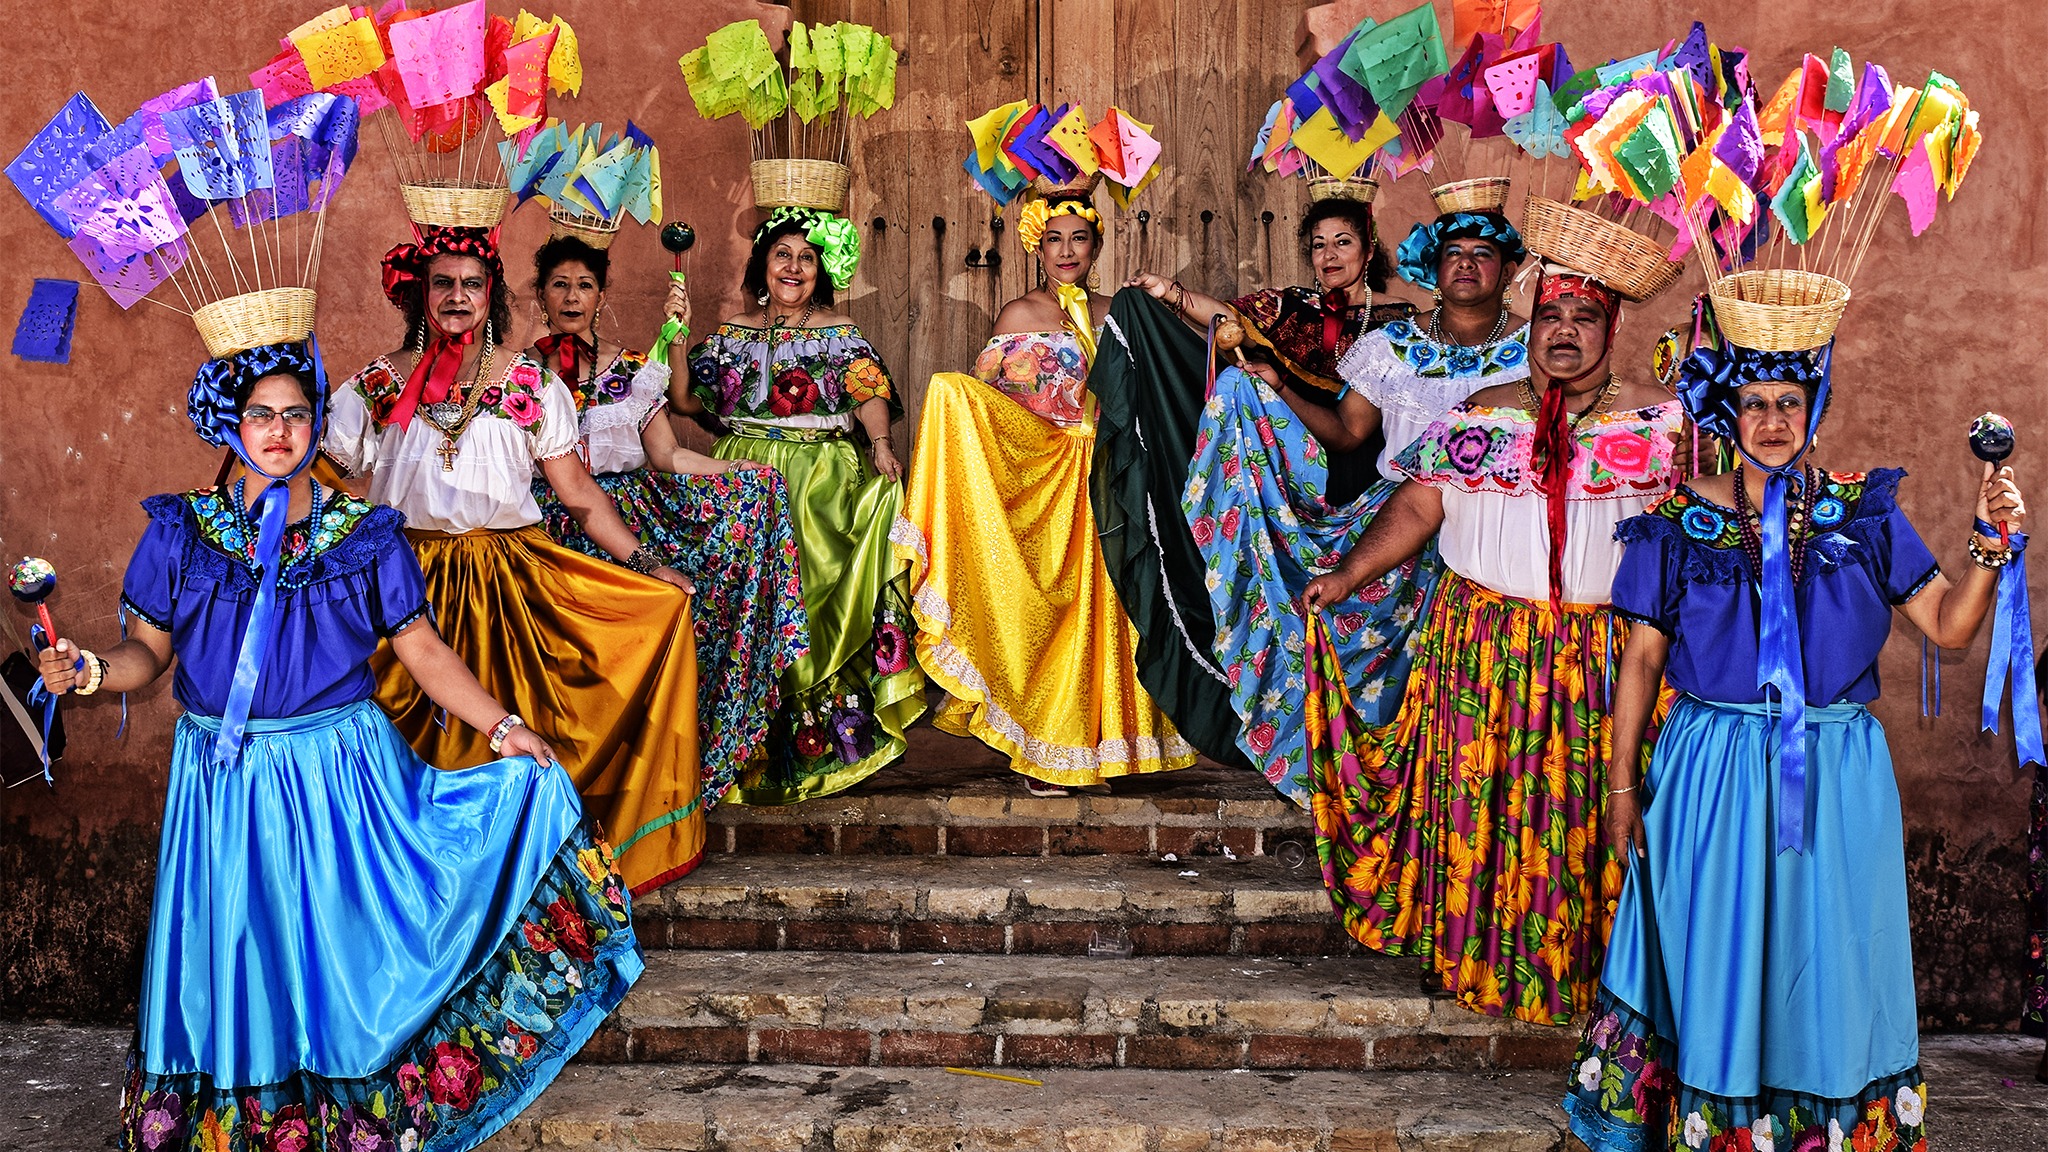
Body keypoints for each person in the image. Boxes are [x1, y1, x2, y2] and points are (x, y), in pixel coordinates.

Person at [40, 331, 639, 1151]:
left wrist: (503, 726)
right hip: (224, 782)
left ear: (317, 425)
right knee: (238, 960)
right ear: (231, 424)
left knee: (343, 957)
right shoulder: (180, 532)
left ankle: (346, 1111)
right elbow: (146, 657)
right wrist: (87, 670)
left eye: (296, 415)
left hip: (336, 775)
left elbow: (420, 648)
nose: (280, 431)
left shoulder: (365, 535)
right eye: (261, 415)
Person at [1561, 338, 2028, 1149]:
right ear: (1728, 416)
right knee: (1716, 954)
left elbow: (1951, 628)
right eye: (1755, 404)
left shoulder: (1866, 513)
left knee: (1831, 955)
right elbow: (1641, 660)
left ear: (1813, 413)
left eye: (1788, 403)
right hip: (1712, 768)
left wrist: (1989, 544)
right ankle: (1714, 1127)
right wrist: (1622, 786)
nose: (1772, 420)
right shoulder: (1675, 526)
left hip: (1837, 770)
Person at [1302, 267, 1682, 1024]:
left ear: (1612, 331)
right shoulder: (1478, 415)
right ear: (1531, 327)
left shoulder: (1660, 425)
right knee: (1478, 808)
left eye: (1583, 317)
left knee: (1592, 816)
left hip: (1607, 657)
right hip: (1482, 647)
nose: (1565, 331)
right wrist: (1348, 574)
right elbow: (1418, 504)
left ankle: (1599, 983)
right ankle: (1475, 962)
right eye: (1552, 316)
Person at [327, 222, 706, 895]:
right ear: (420, 293)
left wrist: (646, 564)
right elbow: (322, 478)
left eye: (472, 283)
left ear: (492, 295)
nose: (457, 295)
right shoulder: (375, 384)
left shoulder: (530, 383)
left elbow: (582, 496)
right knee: (407, 749)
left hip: (513, 586)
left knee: (523, 732)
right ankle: (430, 895)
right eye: (442, 282)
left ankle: (521, 891)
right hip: (403, 587)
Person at [1097, 191, 1415, 773]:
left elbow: (1354, 431)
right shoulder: (1289, 309)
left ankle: (1358, 736)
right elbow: (1229, 324)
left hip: (1361, 478)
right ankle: (1280, 721)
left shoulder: (1404, 326)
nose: (1328, 256)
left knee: (1357, 611)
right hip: (1282, 473)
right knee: (1284, 601)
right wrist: (1170, 296)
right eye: (1318, 245)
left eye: (1342, 242)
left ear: (1369, 249)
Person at [894, 190, 1196, 797]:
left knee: (1116, 606)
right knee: (1047, 613)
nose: (1066, 250)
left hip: (1113, 473)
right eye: (1054, 238)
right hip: (1046, 474)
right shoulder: (1016, 315)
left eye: (1078, 238)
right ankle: (1046, 748)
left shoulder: (1124, 311)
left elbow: (1162, 382)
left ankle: (1114, 749)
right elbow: (996, 409)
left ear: (1096, 246)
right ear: (1038, 246)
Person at [525, 233, 809, 805]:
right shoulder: (514, 373)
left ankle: (662, 761)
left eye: (585, 285)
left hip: (630, 515)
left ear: (602, 296)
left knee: (708, 563)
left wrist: (736, 469)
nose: (573, 297)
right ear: (540, 296)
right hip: (547, 518)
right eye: (560, 285)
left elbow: (667, 456)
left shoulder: (632, 370)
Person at [680, 206, 927, 803]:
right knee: (749, 605)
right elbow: (688, 403)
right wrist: (677, 336)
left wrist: (881, 445)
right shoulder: (733, 332)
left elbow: (868, 390)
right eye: (782, 255)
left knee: (814, 603)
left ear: (820, 271)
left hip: (820, 478)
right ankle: (745, 747)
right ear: (762, 266)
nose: (794, 267)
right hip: (744, 475)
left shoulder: (839, 331)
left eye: (807, 258)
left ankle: (820, 747)